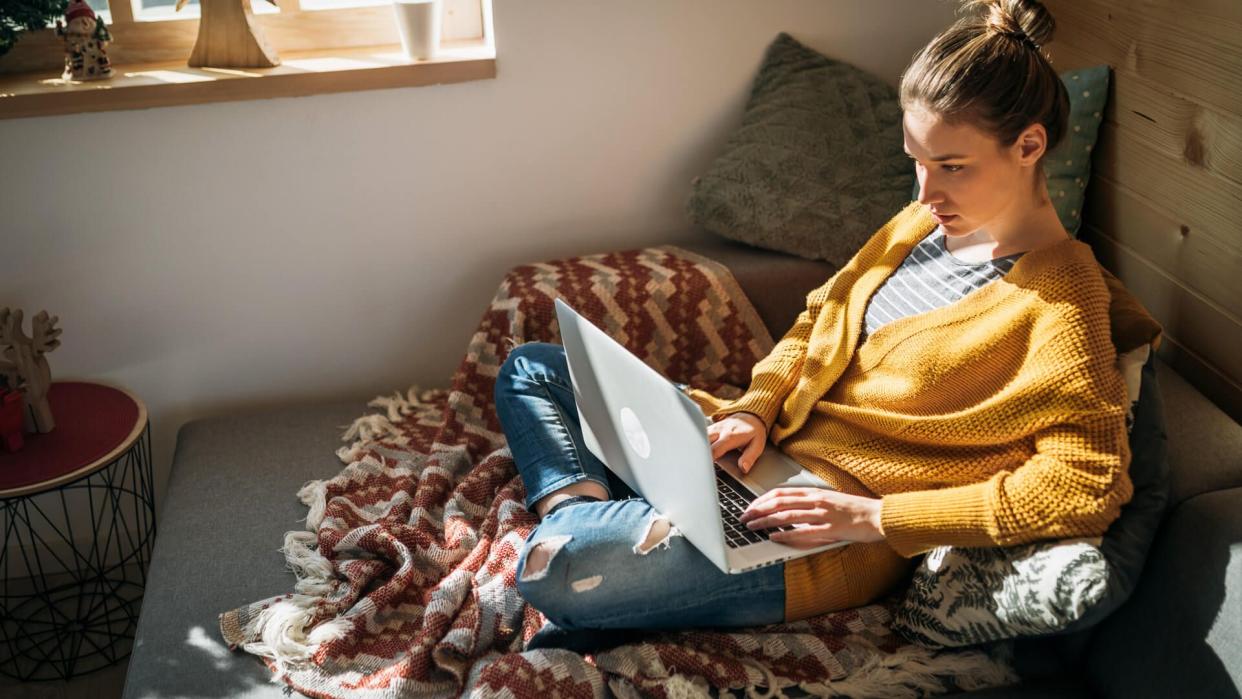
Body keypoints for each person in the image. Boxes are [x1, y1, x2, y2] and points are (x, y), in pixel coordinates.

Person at [494, 0, 1136, 650]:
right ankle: (594, 520)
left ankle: (590, 535)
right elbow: (819, 317)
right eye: (916, 158)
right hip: (759, 453)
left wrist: (873, 517)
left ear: (1029, 145)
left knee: (557, 564)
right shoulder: (920, 225)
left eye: (951, 166)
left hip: (821, 535)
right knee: (532, 367)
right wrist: (756, 410)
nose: (923, 192)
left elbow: (1083, 484)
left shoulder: (1063, 302)